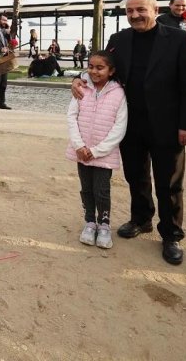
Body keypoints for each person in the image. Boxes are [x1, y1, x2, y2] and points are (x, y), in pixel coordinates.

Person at [72, 0, 186, 265]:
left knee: (169, 182)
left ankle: (171, 234)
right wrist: (78, 79)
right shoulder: (119, 40)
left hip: (168, 125)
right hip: (130, 124)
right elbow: (102, 67)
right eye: (130, 11)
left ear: (155, 9)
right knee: (136, 176)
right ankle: (142, 219)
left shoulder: (180, 39)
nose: (135, 15)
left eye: (140, 9)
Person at [66, 51, 128, 250]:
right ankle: (89, 222)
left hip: (103, 154)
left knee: (101, 190)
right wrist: (79, 146)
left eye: (100, 67)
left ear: (111, 71)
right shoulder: (82, 90)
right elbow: (71, 117)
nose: (94, 71)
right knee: (86, 189)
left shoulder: (119, 94)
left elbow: (120, 126)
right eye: (90, 66)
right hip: (81, 152)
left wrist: (97, 150)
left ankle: (104, 225)